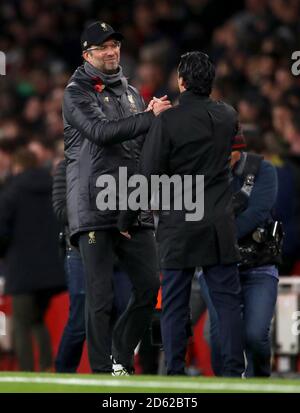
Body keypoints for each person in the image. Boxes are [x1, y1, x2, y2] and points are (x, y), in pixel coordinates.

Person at [118, 51, 245, 376]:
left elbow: (146, 175)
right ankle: (233, 373)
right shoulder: (228, 115)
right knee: (228, 303)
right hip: (218, 224)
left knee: (174, 305)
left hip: (178, 224)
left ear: (182, 81)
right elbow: (236, 158)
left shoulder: (169, 120)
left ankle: (174, 372)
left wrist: (127, 218)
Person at [63, 21, 170, 375]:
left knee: (149, 286)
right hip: (94, 205)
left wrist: (155, 122)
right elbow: (99, 132)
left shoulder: (132, 93)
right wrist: (147, 118)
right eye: (103, 47)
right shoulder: (76, 92)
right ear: (87, 54)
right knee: (101, 296)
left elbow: (138, 145)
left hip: (131, 203)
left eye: (115, 46)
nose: (111, 52)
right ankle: (98, 373)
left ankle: (120, 355)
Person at [198, 136, 281, 377]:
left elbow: (257, 212)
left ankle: (260, 379)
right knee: (219, 336)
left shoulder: (263, 170)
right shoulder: (203, 172)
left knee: (255, 335)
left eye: (227, 154)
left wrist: (221, 234)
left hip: (258, 264)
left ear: (238, 151)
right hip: (217, 265)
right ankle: (226, 384)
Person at [52, 160, 132, 373]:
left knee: (123, 310)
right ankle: (63, 373)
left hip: (119, 252)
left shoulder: (120, 163)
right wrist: (102, 214)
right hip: (81, 251)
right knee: (80, 321)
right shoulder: (67, 167)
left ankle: (115, 371)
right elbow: (61, 210)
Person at [0, 148, 66, 371]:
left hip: (22, 270)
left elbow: (2, 230)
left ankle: (27, 371)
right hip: (51, 271)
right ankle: (47, 368)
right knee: (37, 320)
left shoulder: (12, 191)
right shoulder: (52, 188)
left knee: (21, 323)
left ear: (17, 167)